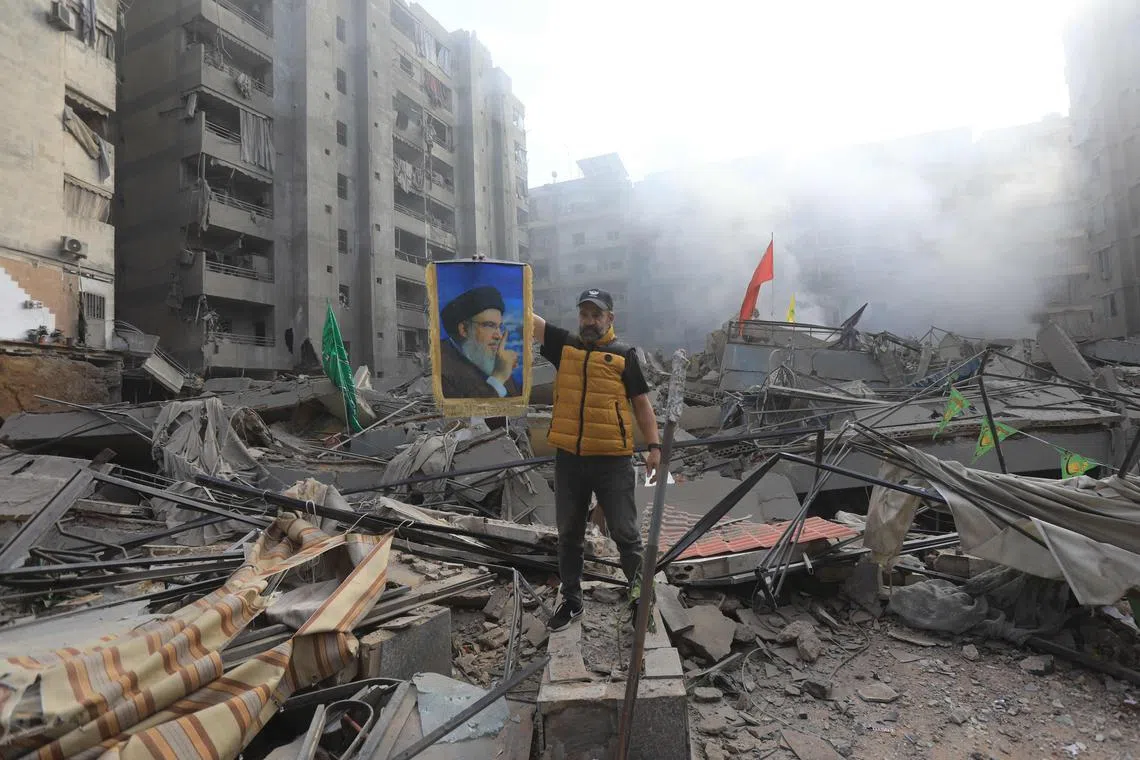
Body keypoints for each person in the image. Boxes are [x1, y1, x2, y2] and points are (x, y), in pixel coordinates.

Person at [532, 288, 661, 631]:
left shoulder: (623, 355)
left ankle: (639, 597)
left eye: (596, 315)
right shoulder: (566, 346)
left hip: (613, 461)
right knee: (569, 535)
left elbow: (642, 405)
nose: (589, 321)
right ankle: (572, 601)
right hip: (570, 460)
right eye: (585, 314)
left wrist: (654, 446)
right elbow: (529, 322)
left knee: (626, 534)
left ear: (610, 318)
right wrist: (489, 276)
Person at [438, 285, 520, 398]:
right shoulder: (441, 368)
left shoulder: (494, 360)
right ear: (464, 329)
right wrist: (498, 377)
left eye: (499, 327)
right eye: (489, 325)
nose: (499, 336)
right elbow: (473, 411)